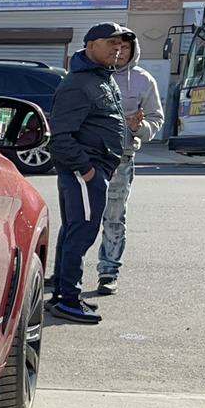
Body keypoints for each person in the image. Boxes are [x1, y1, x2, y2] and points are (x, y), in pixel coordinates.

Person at [47, 22, 133, 324]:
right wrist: (87, 171)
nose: (118, 48)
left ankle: (62, 292)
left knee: (74, 229)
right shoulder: (78, 83)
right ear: (91, 45)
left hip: (95, 170)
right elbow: (59, 138)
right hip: (85, 173)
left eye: (121, 44)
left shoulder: (101, 78)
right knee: (82, 232)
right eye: (111, 42)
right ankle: (68, 300)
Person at [94, 37, 163, 294]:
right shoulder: (90, 76)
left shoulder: (144, 80)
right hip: (87, 156)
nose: (120, 51)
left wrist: (139, 127)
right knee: (78, 217)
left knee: (113, 217)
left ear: (133, 51)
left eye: (126, 47)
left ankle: (108, 271)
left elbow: (156, 119)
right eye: (115, 46)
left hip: (120, 158)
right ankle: (68, 270)